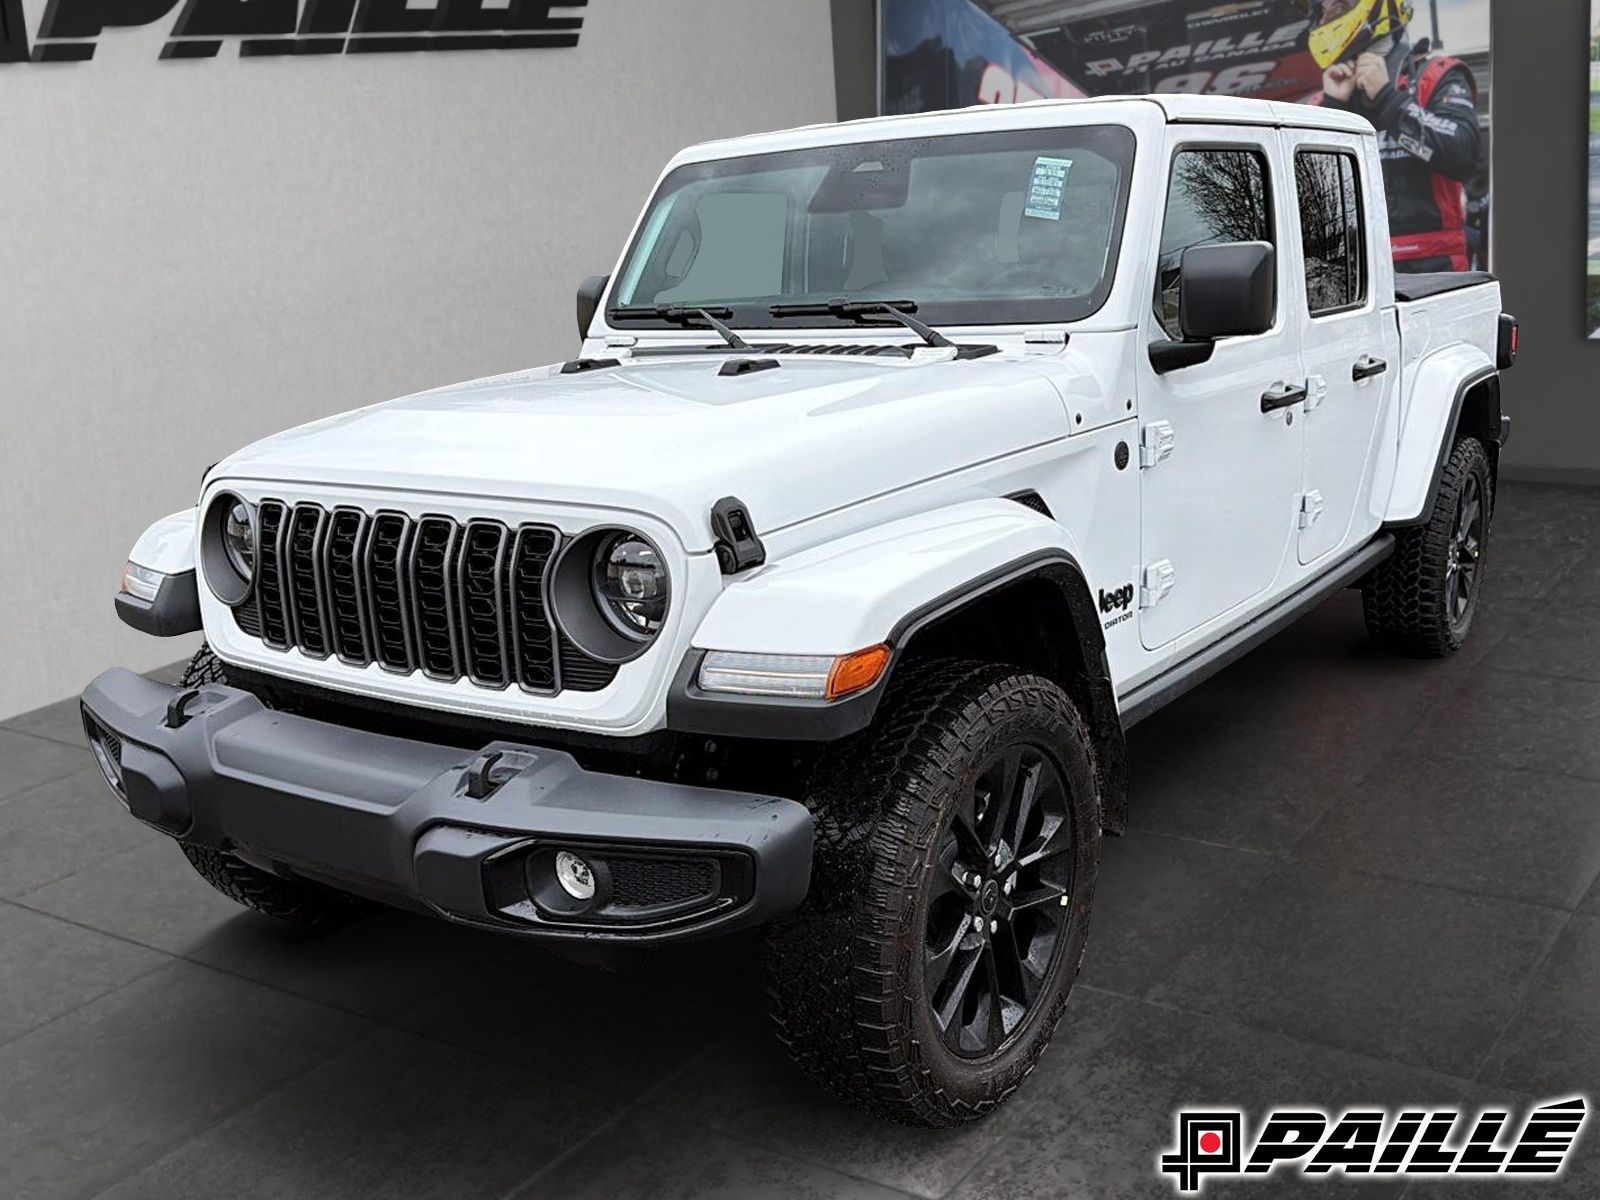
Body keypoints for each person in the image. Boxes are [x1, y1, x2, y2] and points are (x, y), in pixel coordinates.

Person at [1309, 0, 1482, 272]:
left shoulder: (1435, 76)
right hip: (1358, 271)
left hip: (1436, 267)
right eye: (1321, 12)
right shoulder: (1325, 101)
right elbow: (1308, 199)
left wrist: (1388, 99)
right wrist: (1334, 112)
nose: (1323, 21)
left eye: (1337, 8)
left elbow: (1463, 155)